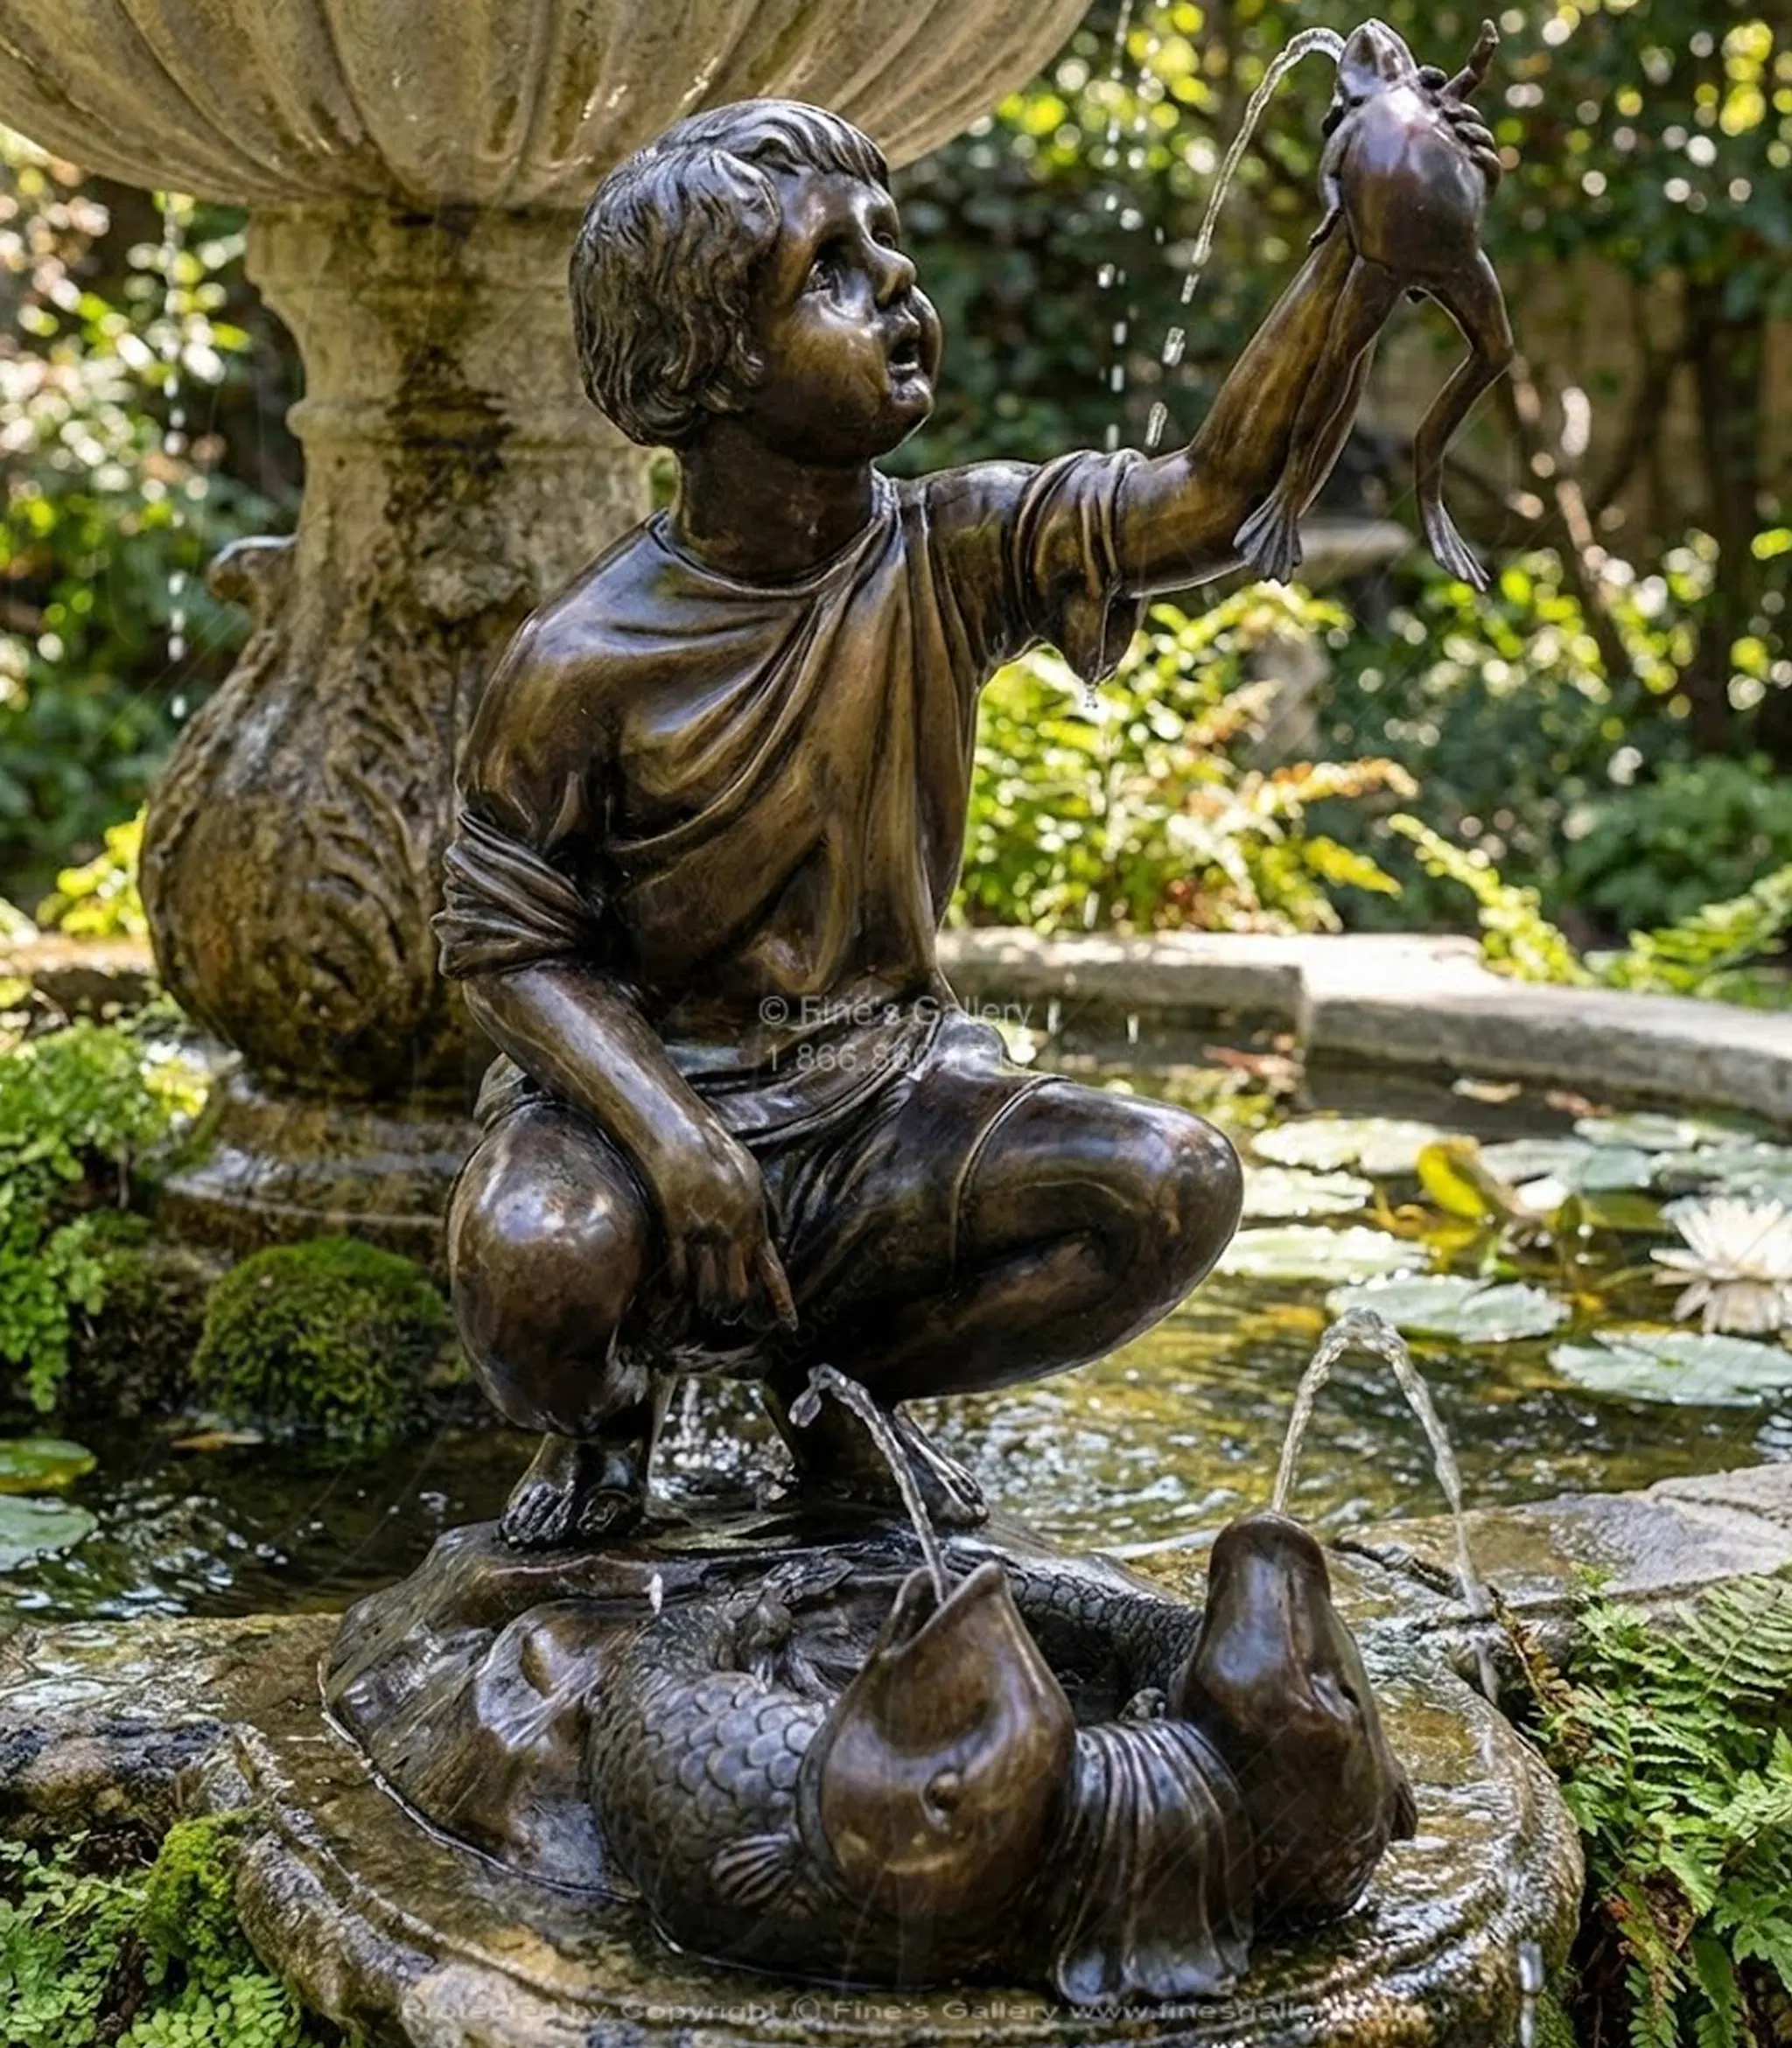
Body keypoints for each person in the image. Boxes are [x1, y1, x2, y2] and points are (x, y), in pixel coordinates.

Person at [436, 95, 1493, 1548]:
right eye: (833, 273)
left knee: (1169, 1187)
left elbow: (1209, 500)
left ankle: (839, 1402)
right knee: (536, 1265)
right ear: (706, 360)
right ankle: (606, 1437)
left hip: (886, 1094)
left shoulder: (953, 550)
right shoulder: (579, 663)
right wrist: (677, 1143)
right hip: (634, 1117)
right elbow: (503, 948)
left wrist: (1362, 261)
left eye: (894, 249)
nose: (899, 293)